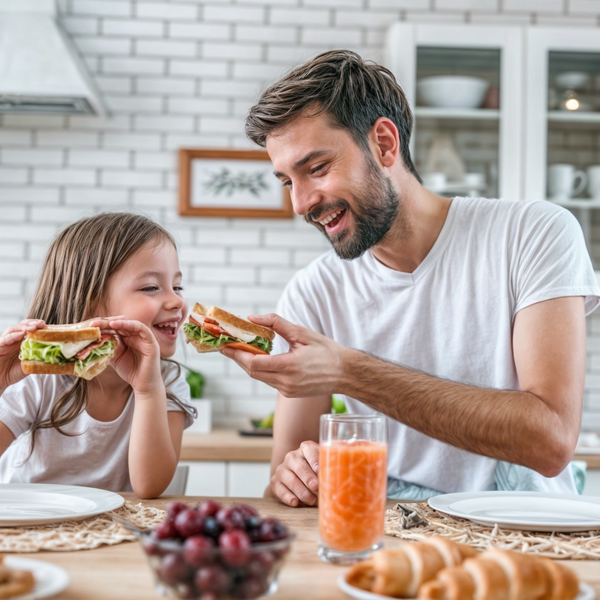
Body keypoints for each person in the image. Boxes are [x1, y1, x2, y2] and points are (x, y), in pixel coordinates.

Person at [221, 49, 600, 506]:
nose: (301, 204)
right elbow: (284, 484)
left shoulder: (531, 234)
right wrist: (294, 479)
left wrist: (349, 371)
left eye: (316, 168)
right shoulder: (314, 293)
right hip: (390, 534)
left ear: (384, 143)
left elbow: (551, 439)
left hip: (525, 529)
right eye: (287, 181)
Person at [0, 213, 196, 498]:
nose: (178, 300)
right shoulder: (39, 380)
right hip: (31, 521)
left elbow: (150, 486)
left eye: (177, 286)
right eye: (151, 287)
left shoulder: (168, 382)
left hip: (111, 532)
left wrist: (148, 389)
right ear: (91, 308)